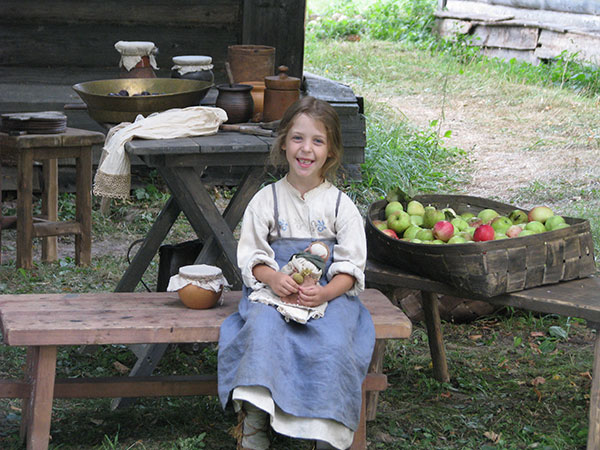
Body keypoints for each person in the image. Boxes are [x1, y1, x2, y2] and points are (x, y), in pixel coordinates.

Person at [218, 96, 375, 450]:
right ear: (284, 142)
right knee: (262, 331)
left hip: (328, 297)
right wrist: (273, 278)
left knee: (334, 341)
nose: (306, 150)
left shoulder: (340, 206)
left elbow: (350, 268)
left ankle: (325, 430)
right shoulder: (266, 200)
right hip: (273, 295)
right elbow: (252, 258)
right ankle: (256, 423)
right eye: (298, 139)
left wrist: (326, 292)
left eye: (317, 141)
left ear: (331, 151)